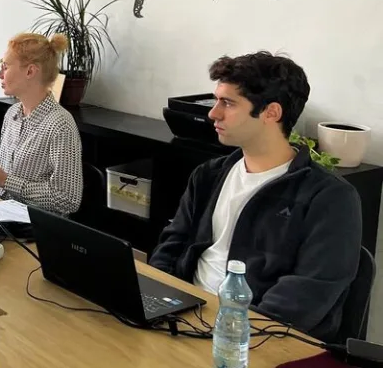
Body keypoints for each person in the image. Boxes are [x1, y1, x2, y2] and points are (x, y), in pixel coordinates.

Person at [149, 52, 361, 341]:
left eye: (228, 103)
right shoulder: (209, 175)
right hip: (183, 318)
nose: (213, 113)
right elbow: (171, 244)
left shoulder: (330, 198)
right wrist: (155, 299)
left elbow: (306, 296)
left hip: (251, 341)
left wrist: (228, 332)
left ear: (271, 113)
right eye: (216, 100)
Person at [0, 33, 82, 215]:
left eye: (5, 67)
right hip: (2, 214)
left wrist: (6, 181)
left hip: (34, 229)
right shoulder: (12, 114)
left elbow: (67, 200)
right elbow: (1, 178)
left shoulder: (61, 125)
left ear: (30, 71)